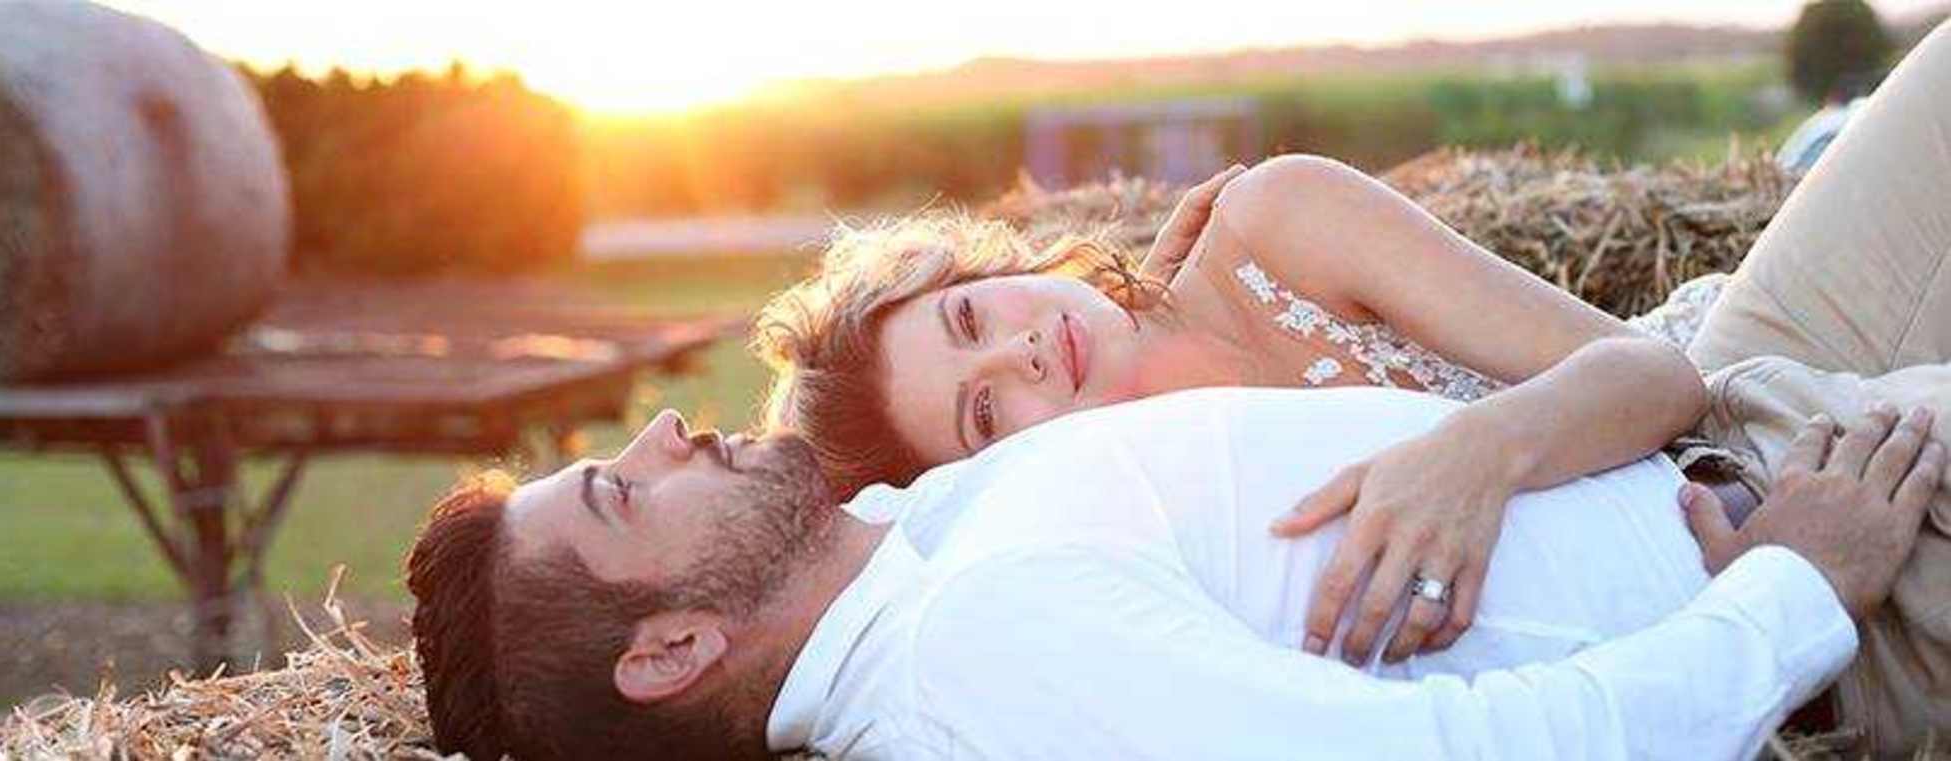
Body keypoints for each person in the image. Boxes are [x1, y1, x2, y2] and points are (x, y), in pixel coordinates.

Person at [754, 21, 1951, 744]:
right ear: (996, 474)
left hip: (1744, 366)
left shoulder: (1273, 224)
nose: (1018, 351)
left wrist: (1475, 450)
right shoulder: (1148, 574)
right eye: (982, 409)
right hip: (1759, 516)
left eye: (971, 312)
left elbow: (1661, 376)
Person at [405, 388, 1941, 760]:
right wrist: (1803, 590)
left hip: (1731, 401)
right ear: (673, 649)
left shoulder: (925, 537)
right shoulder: (973, 661)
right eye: (625, 486)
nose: (667, 425)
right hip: (1838, 551)